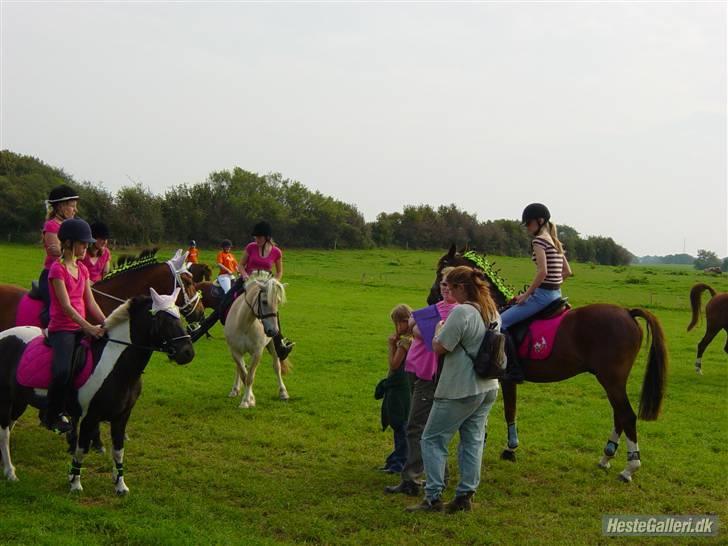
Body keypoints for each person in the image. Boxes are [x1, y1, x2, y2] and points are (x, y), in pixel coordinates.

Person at [408, 266, 500, 513]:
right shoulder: (491, 310)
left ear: (461, 287)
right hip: (487, 386)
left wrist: (438, 328)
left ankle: (433, 498)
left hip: (460, 387)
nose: (447, 289)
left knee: (432, 439)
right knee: (472, 441)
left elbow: (440, 347)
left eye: (449, 285)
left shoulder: (461, 312)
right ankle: (464, 497)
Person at [386, 267, 458, 497]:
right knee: (428, 428)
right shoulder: (439, 308)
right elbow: (414, 323)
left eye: (449, 284)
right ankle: (434, 478)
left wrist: (420, 327)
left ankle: (413, 479)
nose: (444, 288)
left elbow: (424, 330)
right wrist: (419, 327)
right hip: (421, 372)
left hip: (433, 376)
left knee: (417, 426)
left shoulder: (456, 311)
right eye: (443, 284)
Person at [45, 219, 106, 434]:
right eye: (82, 243)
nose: (86, 248)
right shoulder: (57, 270)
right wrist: (89, 327)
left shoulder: (82, 269)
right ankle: (52, 414)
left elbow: (90, 303)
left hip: (81, 326)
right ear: (69, 243)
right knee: (62, 371)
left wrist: (107, 322)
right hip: (62, 329)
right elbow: (67, 307)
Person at [500, 203, 572, 382]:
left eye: (529, 223)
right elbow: (567, 272)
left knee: (499, 324)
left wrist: (527, 295)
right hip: (556, 295)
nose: (527, 227)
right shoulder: (554, 240)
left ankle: (513, 370)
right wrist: (554, 286)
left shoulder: (539, 241)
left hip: (543, 297)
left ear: (540, 221)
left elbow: (543, 272)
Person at [375, 304, 413, 474]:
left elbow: (394, 364)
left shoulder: (406, 341)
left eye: (397, 323)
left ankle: (400, 462)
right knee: (400, 424)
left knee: (400, 424)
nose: (396, 328)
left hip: (401, 387)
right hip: (403, 386)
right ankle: (396, 459)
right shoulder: (410, 339)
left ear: (405, 321)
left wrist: (392, 345)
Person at [38, 185, 79, 326]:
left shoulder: (72, 226)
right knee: (54, 308)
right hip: (52, 274)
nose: (75, 210)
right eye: (72, 206)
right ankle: (48, 329)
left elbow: (63, 250)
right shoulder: (51, 225)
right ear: (61, 207)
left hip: (70, 273)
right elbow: (54, 251)